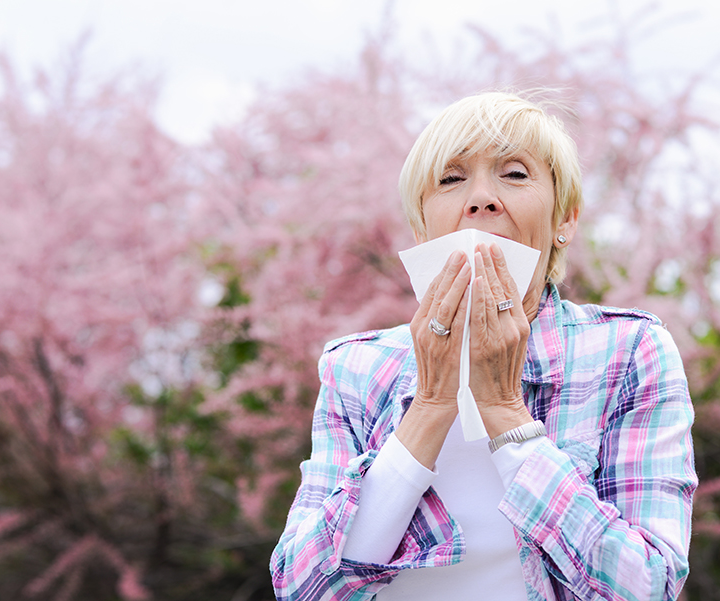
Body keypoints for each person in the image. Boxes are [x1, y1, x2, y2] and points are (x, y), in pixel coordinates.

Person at [270, 92, 697, 601]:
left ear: (565, 219)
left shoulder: (630, 353)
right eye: (451, 180)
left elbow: (647, 587)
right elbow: (301, 589)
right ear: (420, 227)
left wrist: (503, 411)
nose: (482, 199)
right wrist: (430, 405)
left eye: (514, 174)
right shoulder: (356, 368)